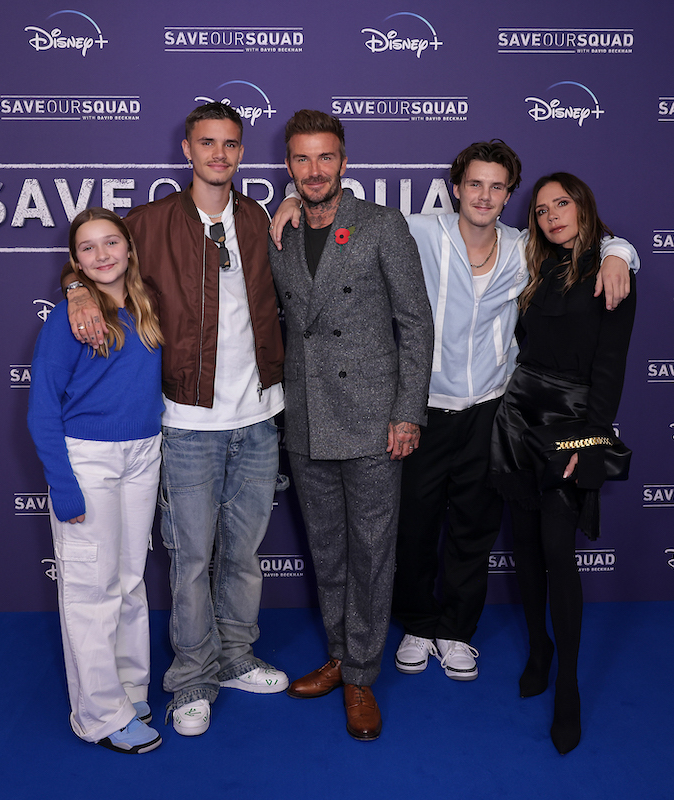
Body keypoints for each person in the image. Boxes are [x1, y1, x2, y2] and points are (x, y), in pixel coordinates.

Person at [271, 141, 637, 684]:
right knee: (414, 527)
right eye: (475, 184)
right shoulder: (415, 230)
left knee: (475, 526)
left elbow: (594, 240)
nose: (484, 196)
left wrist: (619, 252)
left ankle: (457, 630)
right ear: (456, 187)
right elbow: (340, 210)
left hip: (493, 410)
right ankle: (418, 623)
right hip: (420, 408)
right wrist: (290, 200)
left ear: (509, 194)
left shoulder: (523, 247)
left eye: (497, 187)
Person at [64, 102, 288, 738]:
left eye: (231, 144)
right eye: (207, 143)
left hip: (260, 416)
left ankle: (236, 654)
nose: (219, 155)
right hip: (187, 420)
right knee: (191, 558)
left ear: (241, 153)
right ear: (186, 149)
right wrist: (75, 287)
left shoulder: (258, 217)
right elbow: (94, 257)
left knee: (243, 554)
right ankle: (192, 675)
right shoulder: (149, 222)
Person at [269, 109, 434, 741]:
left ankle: (362, 675)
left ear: (345, 162)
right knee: (329, 551)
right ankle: (339, 656)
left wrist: (406, 413)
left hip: (373, 420)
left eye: (325, 158)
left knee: (371, 553)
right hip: (308, 418)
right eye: (301, 160)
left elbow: (416, 325)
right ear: (289, 166)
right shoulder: (275, 230)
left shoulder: (382, 225)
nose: (314, 171)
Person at [489, 173, 637, 755]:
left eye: (562, 204)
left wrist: (591, 443)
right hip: (519, 413)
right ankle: (538, 649)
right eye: (543, 209)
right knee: (523, 542)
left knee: (557, 548)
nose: (552, 216)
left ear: (583, 205)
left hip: (570, 423)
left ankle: (569, 687)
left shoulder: (612, 268)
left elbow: (612, 366)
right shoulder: (534, 266)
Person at [28, 208, 165, 754]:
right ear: (74, 262)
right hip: (88, 460)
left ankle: (129, 689)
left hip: (142, 453)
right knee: (91, 589)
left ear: (130, 248)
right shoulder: (68, 318)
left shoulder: (144, 305)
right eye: (88, 248)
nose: (103, 254)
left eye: (112, 242)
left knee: (130, 580)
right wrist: (64, 486)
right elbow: (42, 410)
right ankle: (99, 716)